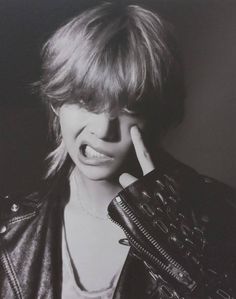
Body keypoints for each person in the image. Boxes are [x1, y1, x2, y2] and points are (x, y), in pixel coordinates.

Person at [0, 2, 235, 299]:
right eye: (86, 101)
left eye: (128, 108)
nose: (103, 131)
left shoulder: (222, 216)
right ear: (56, 104)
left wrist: (180, 261)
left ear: (160, 115)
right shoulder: (8, 227)